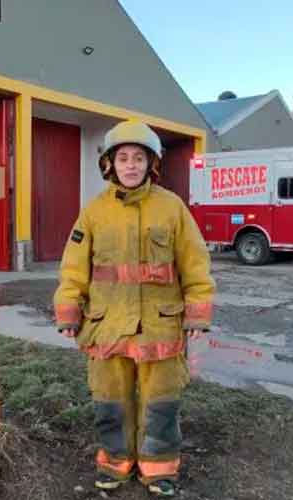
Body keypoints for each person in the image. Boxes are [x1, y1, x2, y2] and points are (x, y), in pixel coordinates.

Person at [53, 120, 215, 497]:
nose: (130, 165)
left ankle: (159, 470)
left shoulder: (172, 208)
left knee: (161, 403)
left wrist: (198, 314)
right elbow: (74, 267)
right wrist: (68, 312)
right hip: (107, 326)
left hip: (161, 327)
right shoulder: (94, 212)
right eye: (122, 158)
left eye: (138, 158)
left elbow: (195, 263)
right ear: (109, 164)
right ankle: (115, 463)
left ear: (151, 164)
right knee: (110, 402)